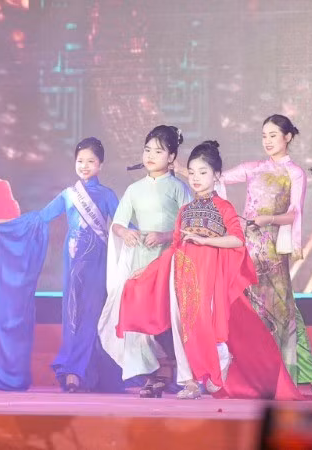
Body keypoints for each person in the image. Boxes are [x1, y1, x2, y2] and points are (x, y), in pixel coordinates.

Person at [118, 141, 303, 400]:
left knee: (205, 326)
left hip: (209, 278)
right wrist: (148, 271)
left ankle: (215, 372)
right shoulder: (184, 210)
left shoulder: (223, 208)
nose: (195, 178)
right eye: (191, 172)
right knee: (182, 327)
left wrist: (205, 241)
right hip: (181, 276)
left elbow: (237, 240)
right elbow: (174, 247)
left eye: (202, 172)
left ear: (216, 175)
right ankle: (190, 382)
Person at [176, 115, 312, 396]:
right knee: (253, 316)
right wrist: (181, 168)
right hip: (246, 250)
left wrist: (268, 218)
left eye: (273, 135)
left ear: (288, 137)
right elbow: (213, 177)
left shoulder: (294, 173)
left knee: (284, 313)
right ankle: (263, 377)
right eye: (264, 136)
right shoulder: (253, 168)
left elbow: (295, 213)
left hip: (271, 253)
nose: (268, 141)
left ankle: (296, 378)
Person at [0, 138, 123, 393]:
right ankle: (76, 371)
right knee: (71, 315)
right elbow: (39, 219)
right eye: (80, 161)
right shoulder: (69, 195)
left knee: (92, 315)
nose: (84, 166)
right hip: (72, 263)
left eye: (91, 161)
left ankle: (76, 372)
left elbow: (122, 223)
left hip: (97, 265)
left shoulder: (107, 196)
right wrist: (4, 227)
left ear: (100, 165)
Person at [97, 125, 192, 398]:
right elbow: (117, 223)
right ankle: (153, 376)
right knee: (139, 320)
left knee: (163, 318)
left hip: (167, 262)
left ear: (172, 157)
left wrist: (164, 235)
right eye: (147, 149)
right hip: (140, 263)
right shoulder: (134, 189)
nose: (151, 155)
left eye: (159, 151)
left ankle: (169, 371)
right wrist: (125, 232)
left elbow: (187, 227)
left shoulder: (178, 188)